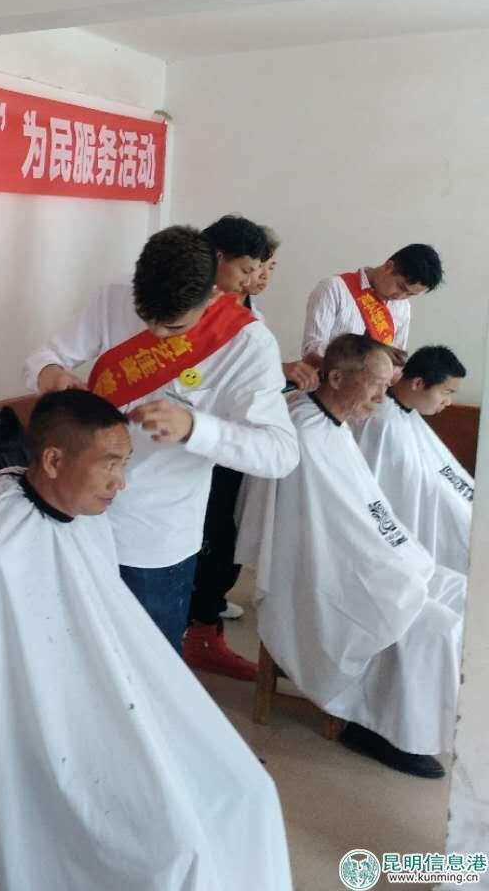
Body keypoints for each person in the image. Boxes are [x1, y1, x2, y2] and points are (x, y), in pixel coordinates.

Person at [0, 390, 292, 890]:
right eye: (110, 464)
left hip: (107, 696)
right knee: (180, 850)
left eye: (125, 463)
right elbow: (1, 691)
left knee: (249, 791)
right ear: (52, 460)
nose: (121, 482)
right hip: (50, 727)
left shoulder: (85, 517)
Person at [24, 226, 299, 648]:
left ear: (212, 294)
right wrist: (50, 373)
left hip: (155, 537)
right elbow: (45, 355)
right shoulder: (114, 297)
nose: (155, 334)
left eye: (172, 327)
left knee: (147, 661)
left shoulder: (248, 344)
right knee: (69, 647)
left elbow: (280, 452)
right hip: (76, 516)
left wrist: (195, 428)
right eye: (144, 318)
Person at [238, 335, 465, 778]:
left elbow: (362, 513)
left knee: (460, 591)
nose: (382, 398)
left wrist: (399, 557)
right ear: (338, 378)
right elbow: (322, 534)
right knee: (438, 626)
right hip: (322, 574)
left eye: (385, 385)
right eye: (375, 384)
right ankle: (382, 732)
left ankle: (422, 714)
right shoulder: (305, 430)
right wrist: (391, 565)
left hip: (361, 560)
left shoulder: (334, 425)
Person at [184, 223, 312, 679]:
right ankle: (198, 628)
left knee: (223, 535)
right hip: (201, 443)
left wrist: (279, 373)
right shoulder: (195, 307)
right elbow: (198, 376)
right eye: (254, 267)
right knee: (210, 538)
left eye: (268, 267)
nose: (261, 276)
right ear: (219, 259)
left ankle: (206, 615)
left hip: (233, 442)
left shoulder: (249, 315)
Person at [354, 345, 473, 574]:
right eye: (446, 392)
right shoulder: (382, 422)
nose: (447, 402)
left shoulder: (406, 415)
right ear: (418, 383)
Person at [301, 243, 443, 362]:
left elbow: (396, 358)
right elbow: (312, 350)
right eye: (401, 287)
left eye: (411, 294)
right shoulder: (334, 288)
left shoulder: (403, 307)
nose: (400, 297)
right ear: (388, 266)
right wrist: (371, 351)